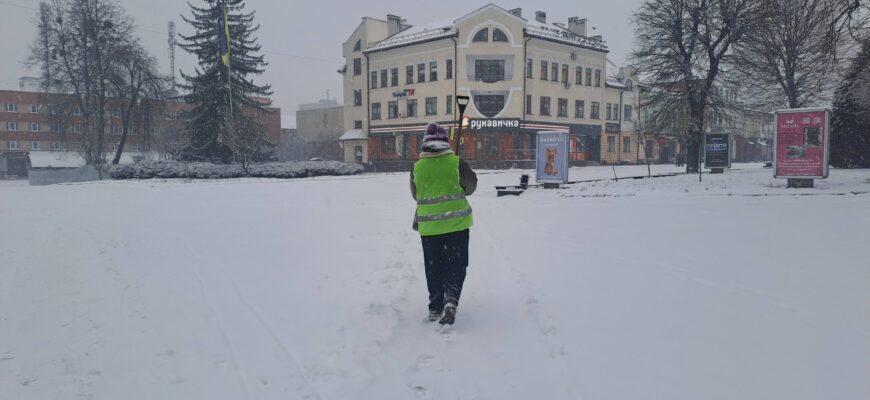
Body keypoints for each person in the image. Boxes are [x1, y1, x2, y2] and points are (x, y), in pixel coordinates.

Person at [410, 122, 477, 325]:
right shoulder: (458, 163)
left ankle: (435, 306)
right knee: (456, 264)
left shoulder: (417, 168)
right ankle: (451, 300)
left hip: (429, 228)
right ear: (446, 142)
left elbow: (415, 194)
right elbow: (471, 187)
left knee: (434, 267)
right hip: (457, 224)